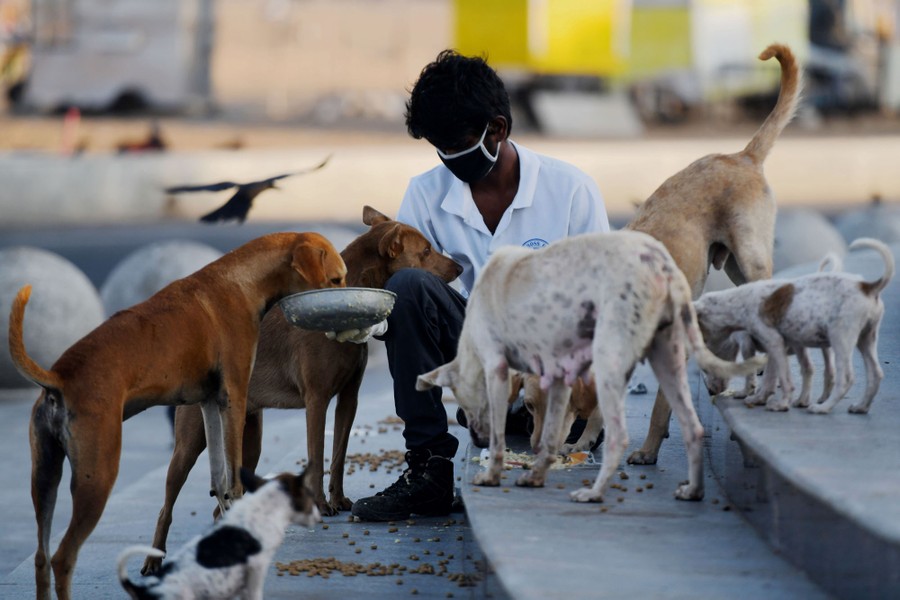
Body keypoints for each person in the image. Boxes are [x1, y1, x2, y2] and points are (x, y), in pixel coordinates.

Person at [330, 49, 610, 522]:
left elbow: (604, 310)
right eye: (437, 147)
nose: (446, 158)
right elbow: (411, 306)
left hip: (557, 379)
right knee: (412, 285)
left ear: (496, 130)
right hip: (474, 358)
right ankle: (430, 467)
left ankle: (525, 418)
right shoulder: (426, 193)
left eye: (455, 144)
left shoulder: (571, 192)